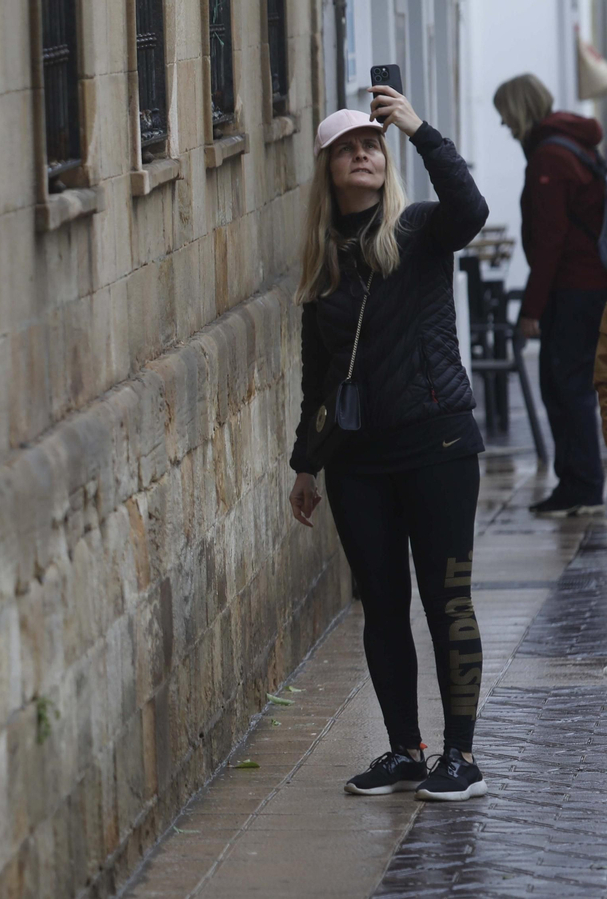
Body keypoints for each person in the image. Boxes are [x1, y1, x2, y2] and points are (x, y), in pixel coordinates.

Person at [287, 89, 490, 802]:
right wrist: (305, 463)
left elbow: (473, 209)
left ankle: (461, 755)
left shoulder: (423, 228)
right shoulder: (323, 263)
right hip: (358, 462)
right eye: (349, 148)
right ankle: (407, 748)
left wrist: (419, 129)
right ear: (330, 169)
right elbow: (318, 375)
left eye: (372, 145)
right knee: (381, 603)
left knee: (447, 599)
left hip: (437, 444)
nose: (364, 154)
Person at [495, 73, 607, 517]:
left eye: (505, 114)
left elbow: (550, 243)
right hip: (586, 283)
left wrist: (530, 311)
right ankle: (579, 481)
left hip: (575, 287)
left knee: (566, 383)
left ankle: (581, 484)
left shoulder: (548, 158)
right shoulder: (571, 142)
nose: (504, 125)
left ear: (519, 109)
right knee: (564, 381)